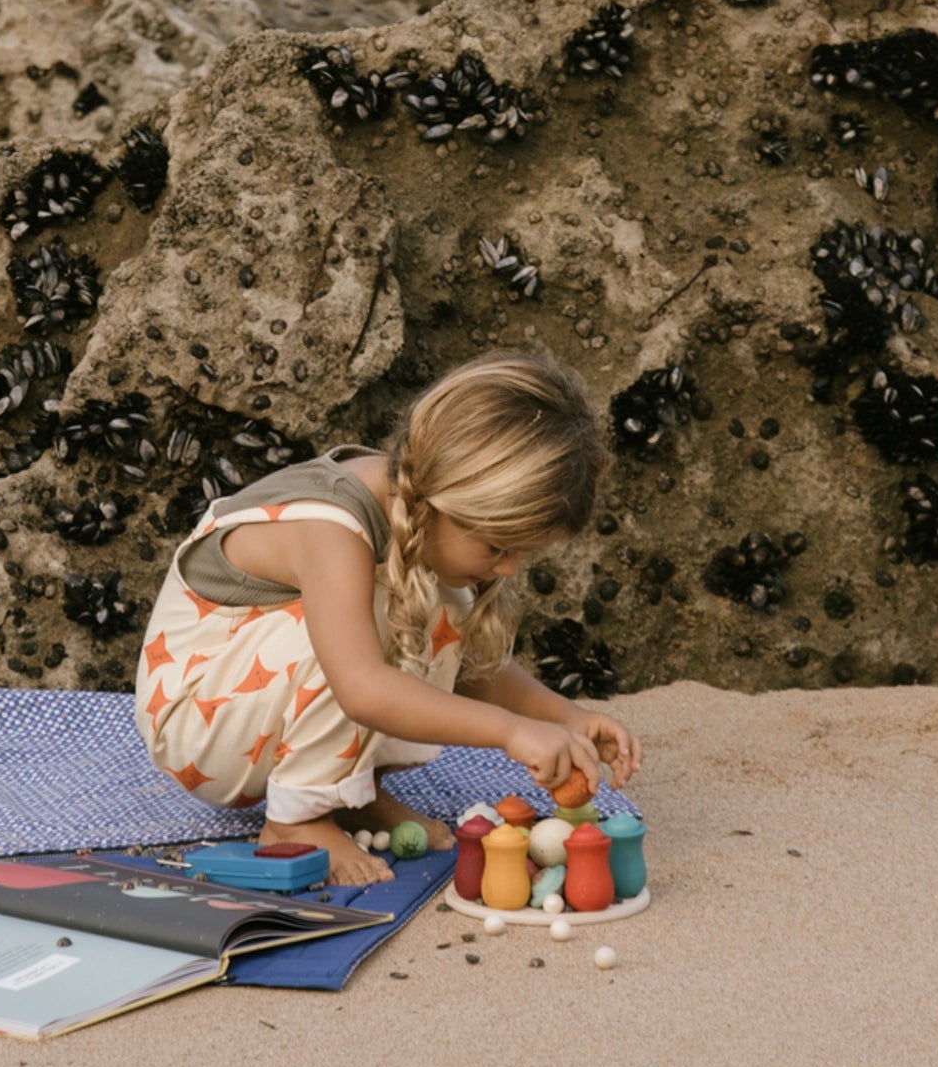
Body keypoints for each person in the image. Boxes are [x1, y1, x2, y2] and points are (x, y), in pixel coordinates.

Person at [133, 352, 642, 883]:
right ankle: (294, 822)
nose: (510, 569)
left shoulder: (417, 507)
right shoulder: (332, 528)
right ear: (449, 500)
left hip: (253, 713)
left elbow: (472, 665)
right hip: (199, 720)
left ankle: (350, 794)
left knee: (440, 609)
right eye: (498, 546)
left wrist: (565, 719)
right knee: (372, 624)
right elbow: (360, 688)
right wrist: (512, 733)